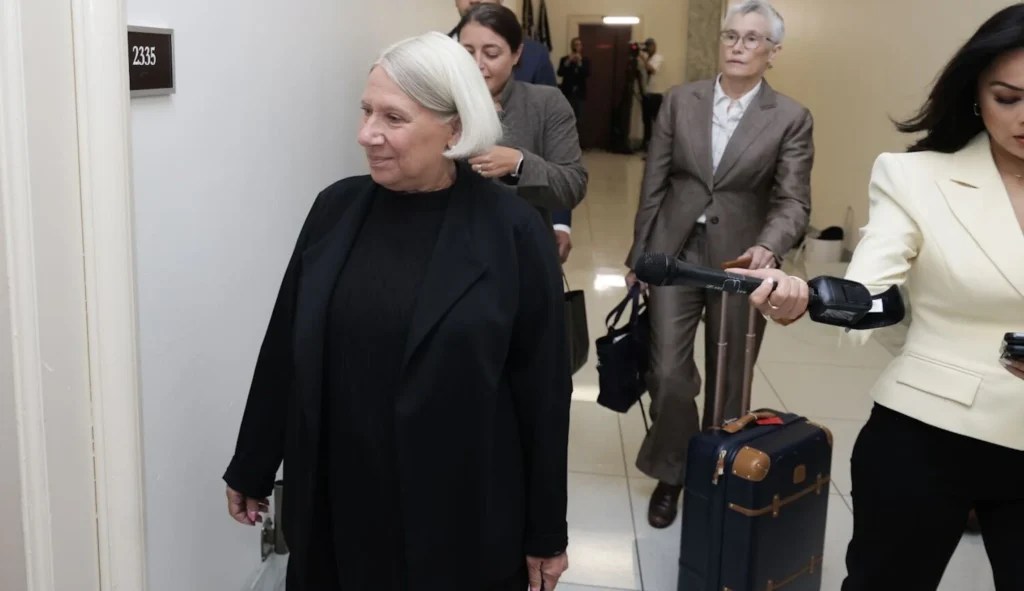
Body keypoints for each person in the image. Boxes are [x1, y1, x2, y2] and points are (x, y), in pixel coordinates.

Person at [222, 31, 571, 591]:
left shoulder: (514, 232)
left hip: (456, 515)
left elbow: (544, 396)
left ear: (454, 128)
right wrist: (253, 461)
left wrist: (546, 530)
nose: (368, 134)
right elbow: (287, 345)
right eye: (365, 111)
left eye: (393, 118)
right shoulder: (336, 209)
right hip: (338, 503)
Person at [737, 5, 1024, 589]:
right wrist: (809, 296)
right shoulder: (916, 177)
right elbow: (871, 290)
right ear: (975, 93)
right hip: (929, 434)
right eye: (1008, 97)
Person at [624, 0, 813, 529]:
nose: (738, 46)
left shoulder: (791, 117)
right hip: (675, 251)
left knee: (732, 377)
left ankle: (721, 470)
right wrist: (640, 256)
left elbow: (793, 200)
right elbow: (654, 182)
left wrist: (770, 249)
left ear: (772, 52)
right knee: (668, 373)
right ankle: (672, 471)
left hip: (741, 263)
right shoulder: (681, 101)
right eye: (731, 35)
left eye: (753, 39)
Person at [458, 3, 587, 263]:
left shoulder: (544, 102)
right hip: (455, 250)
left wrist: (519, 163)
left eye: (491, 54)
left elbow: (572, 184)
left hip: (521, 253)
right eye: (467, 52)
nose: (476, 64)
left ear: (516, 54)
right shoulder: (440, 104)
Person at [558, 37, 591, 135]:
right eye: (575, 44)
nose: (577, 46)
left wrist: (580, 63)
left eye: (579, 44)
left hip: (579, 94)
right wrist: (568, 62)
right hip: (567, 93)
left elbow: (587, 74)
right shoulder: (564, 59)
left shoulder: (585, 60)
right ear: (572, 46)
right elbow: (559, 72)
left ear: (581, 47)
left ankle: (578, 143)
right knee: (566, 118)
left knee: (579, 119)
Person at [638, 37, 665, 152]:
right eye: (646, 46)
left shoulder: (658, 58)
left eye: (650, 46)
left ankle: (656, 146)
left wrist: (643, 59)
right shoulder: (647, 58)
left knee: (656, 121)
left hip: (655, 94)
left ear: (654, 46)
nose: (648, 48)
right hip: (646, 93)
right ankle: (646, 144)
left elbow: (652, 70)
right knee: (646, 121)